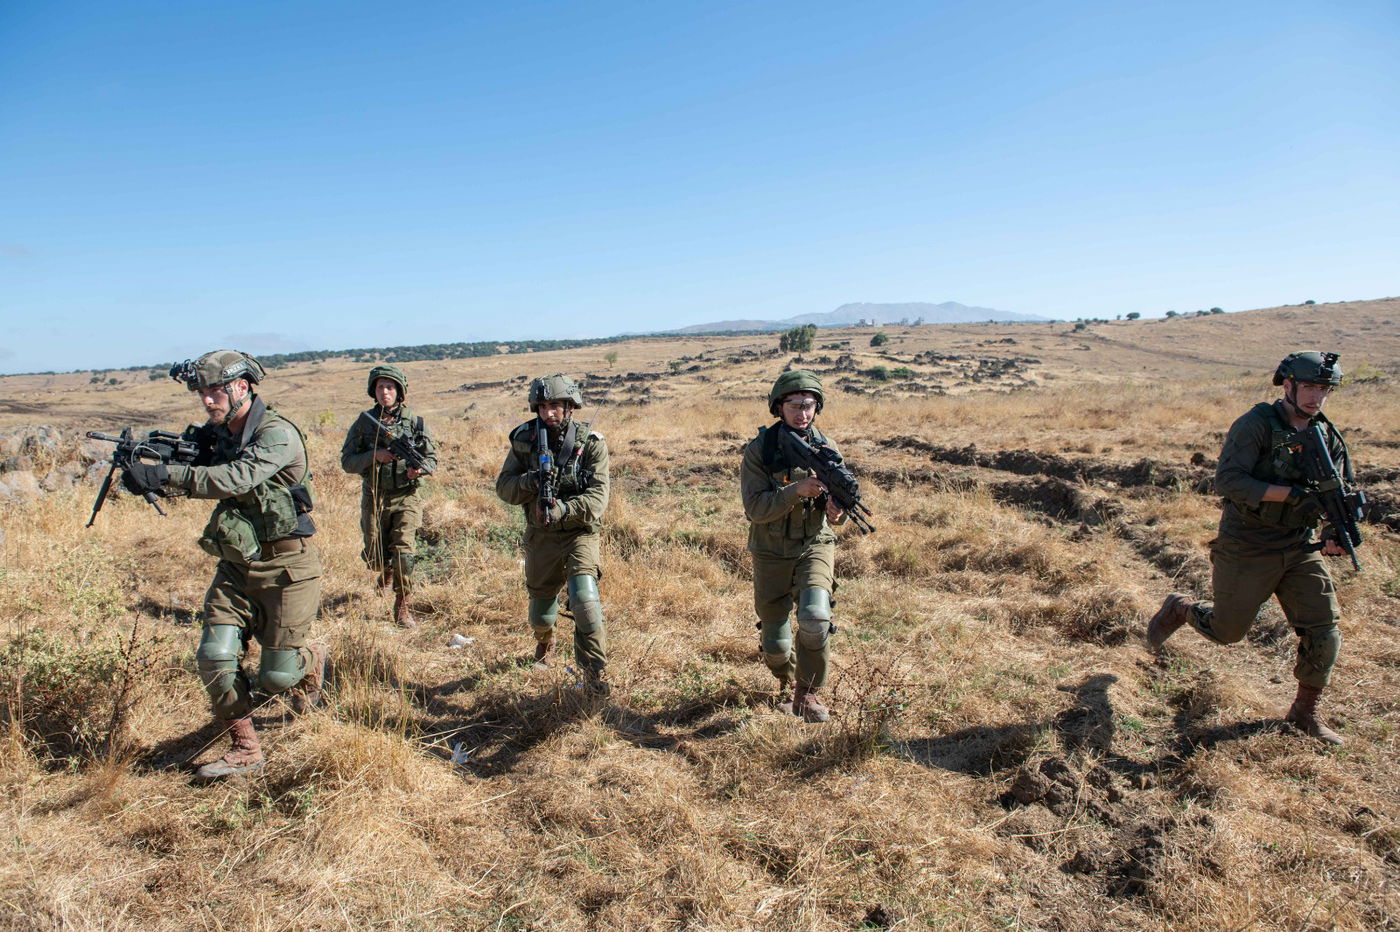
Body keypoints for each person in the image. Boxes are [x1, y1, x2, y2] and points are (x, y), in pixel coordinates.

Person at [123, 350, 327, 779]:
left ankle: (310, 660)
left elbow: (234, 478)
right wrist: (151, 468)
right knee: (214, 656)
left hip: (287, 566)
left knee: (277, 677)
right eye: (201, 392)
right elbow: (198, 467)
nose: (206, 401)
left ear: (241, 386)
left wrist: (167, 476)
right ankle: (246, 748)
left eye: (215, 391)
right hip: (236, 566)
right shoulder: (219, 436)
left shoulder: (276, 434)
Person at [1147, 351, 1359, 745]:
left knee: (1324, 630)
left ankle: (1304, 714)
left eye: (1324, 389)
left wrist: (1334, 529)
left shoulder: (1328, 436)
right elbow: (1228, 481)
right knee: (1228, 632)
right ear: (1288, 385)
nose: (1317, 397)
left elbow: (1338, 491)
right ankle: (1181, 608)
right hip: (1247, 542)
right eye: (1309, 387)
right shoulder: (1256, 424)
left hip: (1298, 545)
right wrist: (1291, 495)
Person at [740, 369, 850, 723]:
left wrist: (837, 511)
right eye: (795, 405)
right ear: (779, 407)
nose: (803, 413)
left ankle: (807, 692)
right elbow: (755, 509)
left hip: (814, 544)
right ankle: (787, 683)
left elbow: (840, 508)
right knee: (776, 646)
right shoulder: (760, 450)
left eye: (809, 405)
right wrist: (795, 491)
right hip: (769, 550)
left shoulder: (827, 448)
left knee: (816, 618)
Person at [494, 374, 611, 693]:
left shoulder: (590, 443)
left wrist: (564, 509)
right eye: (543, 406)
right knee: (541, 617)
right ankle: (546, 642)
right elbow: (504, 487)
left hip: (579, 534)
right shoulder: (524, 440)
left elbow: (598, 499)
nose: (549, 413)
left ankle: (594, 674)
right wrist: (529, 482)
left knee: (585, 601)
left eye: (556, 405)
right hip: (541, 536)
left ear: (570, 406)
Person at [340, 364, 437, 627]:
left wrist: (419, 470)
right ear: (373, 391)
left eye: (390, 387)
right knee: (375, 556)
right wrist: (375, 456)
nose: (385, 392)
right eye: (381, 387)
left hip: (407, 496)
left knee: (405, 551)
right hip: (375, 495)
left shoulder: (415, 422)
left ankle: (402, 605)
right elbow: (347, 462)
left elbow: (431, 459)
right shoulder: (364, 424)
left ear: (399, 391)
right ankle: (387, 568)